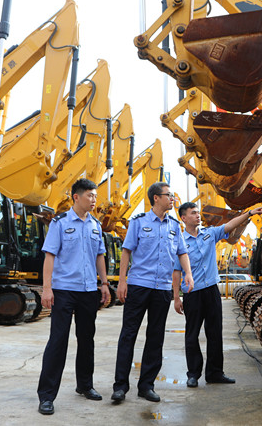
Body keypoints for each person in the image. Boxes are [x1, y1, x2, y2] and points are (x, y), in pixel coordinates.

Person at [111, 182, 194, 404]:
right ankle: (120, 386)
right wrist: (121, 282)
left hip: (162, 288)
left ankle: (146, 386)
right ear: (156, 198)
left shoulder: (175, 225)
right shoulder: (138, 222)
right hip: (138, 286)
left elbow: (182, 251)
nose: (173, 199)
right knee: (128, 334)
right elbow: (126, 251)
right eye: (169, 195)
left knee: (155, 337)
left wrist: (188, 273)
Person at [36, 178, 111, 416]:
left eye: (95, 196)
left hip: (89, 290)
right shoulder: (59, 223)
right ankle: (47, 396)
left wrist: (105, 283)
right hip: (64, 290)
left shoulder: (96, 225)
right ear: (76, 197)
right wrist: (46, 289)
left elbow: (100, 256)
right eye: (90, 195)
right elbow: (49, 256)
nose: (94, 200)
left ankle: (85, 385)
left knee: (87, 339)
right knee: (58, 340)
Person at [172, 203, 262, 388]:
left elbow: (230, 226)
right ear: (183, 218)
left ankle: (215, 373)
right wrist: (176, 297)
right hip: (192, 293)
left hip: (212, 290)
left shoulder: (209, 233)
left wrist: (248, 213)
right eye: (193, 213)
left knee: (215, 333)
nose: (198, 216)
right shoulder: (179, 242)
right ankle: (193, 374)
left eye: (198, 212)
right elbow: (176, 272)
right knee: (192, 335)